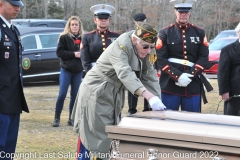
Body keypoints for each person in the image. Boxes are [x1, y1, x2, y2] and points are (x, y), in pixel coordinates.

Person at [72, 22, 166, 160]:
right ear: (135, 40)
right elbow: (124, 73)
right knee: (90, 131)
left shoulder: (143, 48)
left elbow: (149, 75)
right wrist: (148, 96)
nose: (148, 50)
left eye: (151, 47)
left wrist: (157, 100)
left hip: (114, 93)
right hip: (96, 91)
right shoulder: (120, 45)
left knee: (109, 136)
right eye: (145, 46)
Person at [156, 0, 211, 112]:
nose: (183, 15)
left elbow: (203, 57)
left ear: (190, 12)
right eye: (180, 12)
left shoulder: (199, 32)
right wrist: (178, 76)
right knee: (168, 121)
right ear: (175, 12)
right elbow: (161, 59)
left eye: (186, 12)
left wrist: (190, 75)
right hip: (170, 85)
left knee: (192, 122)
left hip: (192, 85)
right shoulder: (165, 32)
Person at [0, 0, 29, 158]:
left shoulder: (13, 30)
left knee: (9, 147)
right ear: (1, 4)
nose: (17, 8)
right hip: (1, 99)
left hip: (13, 98)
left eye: (19, 6)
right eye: (13, 5)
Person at [52, 16, 84, 127]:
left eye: (76, 24)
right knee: (62, 94)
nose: (75, 26)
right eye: (72, 24)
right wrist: (73, 54)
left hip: (78, 70)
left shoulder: (84, 37)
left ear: (79, 26)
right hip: (66, 69)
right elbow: (59, 53)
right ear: (69, 26)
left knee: (75, 95)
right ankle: (57, 118)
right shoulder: (64, 37)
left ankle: (72, 118)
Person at [81, 4, 120, 73]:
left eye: (106, 18)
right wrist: (91, 73)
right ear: (95, 20)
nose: (103, 20)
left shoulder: (117, 36)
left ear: (109, 20)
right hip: (94, 70)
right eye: (100, 18)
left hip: (113, 70)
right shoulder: (87, 37)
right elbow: (85, 59)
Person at [128, 12, 150, 115]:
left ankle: (147, 107)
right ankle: (132, 109)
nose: (141, 24)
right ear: (135, 22)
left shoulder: (150, 33)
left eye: (143, 21)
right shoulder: (130, 34)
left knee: (148, 85)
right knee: (133, 87)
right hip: (134, 64)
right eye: (139, 22)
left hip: (146, 64)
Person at [218, 22, 240, 116]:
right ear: (238, 32)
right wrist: (224, 91)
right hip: (234, 93)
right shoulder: (227, 50)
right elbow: (222, 72)